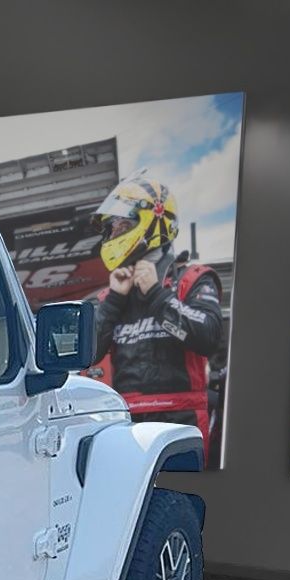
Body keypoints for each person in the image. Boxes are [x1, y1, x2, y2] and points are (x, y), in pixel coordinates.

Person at [92, 174, 224, 408]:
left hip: (183, 418)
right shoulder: (112, 295)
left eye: (121, 226)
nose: (113, 236)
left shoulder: (191, 279)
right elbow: (89, 355)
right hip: (127, 418)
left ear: (152, 221)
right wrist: (113, 303)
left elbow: (209, 338)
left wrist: (156, 294)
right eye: (110, 229)